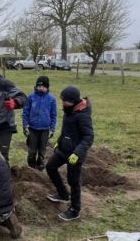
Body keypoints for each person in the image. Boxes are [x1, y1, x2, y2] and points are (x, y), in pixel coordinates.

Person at [46, 86, 94, 221]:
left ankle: (74, 210)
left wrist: (77, 153)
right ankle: (63, 194)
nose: (62, 103)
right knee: (50, 167)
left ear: (73, 101)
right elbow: (66, 131)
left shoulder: (83, 116)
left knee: (73, 181)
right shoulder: (69, 111)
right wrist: (59, 142)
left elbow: (88, 137)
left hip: (75, 154)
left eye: (65, 101)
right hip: (63, 149)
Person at [22, 76, 57, 170]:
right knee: (32, 151)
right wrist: (25, 126)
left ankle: (40, 166)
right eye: (39, 86)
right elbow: (25, 112)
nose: (41, 88)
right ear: (36, 86)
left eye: (44, 86)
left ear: (47, 87)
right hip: (32, 129)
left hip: (45, 129)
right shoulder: (30, 97)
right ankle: (31, 167)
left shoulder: (51, 99)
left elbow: (54, 115)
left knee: (42, 150)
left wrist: (52, 129)